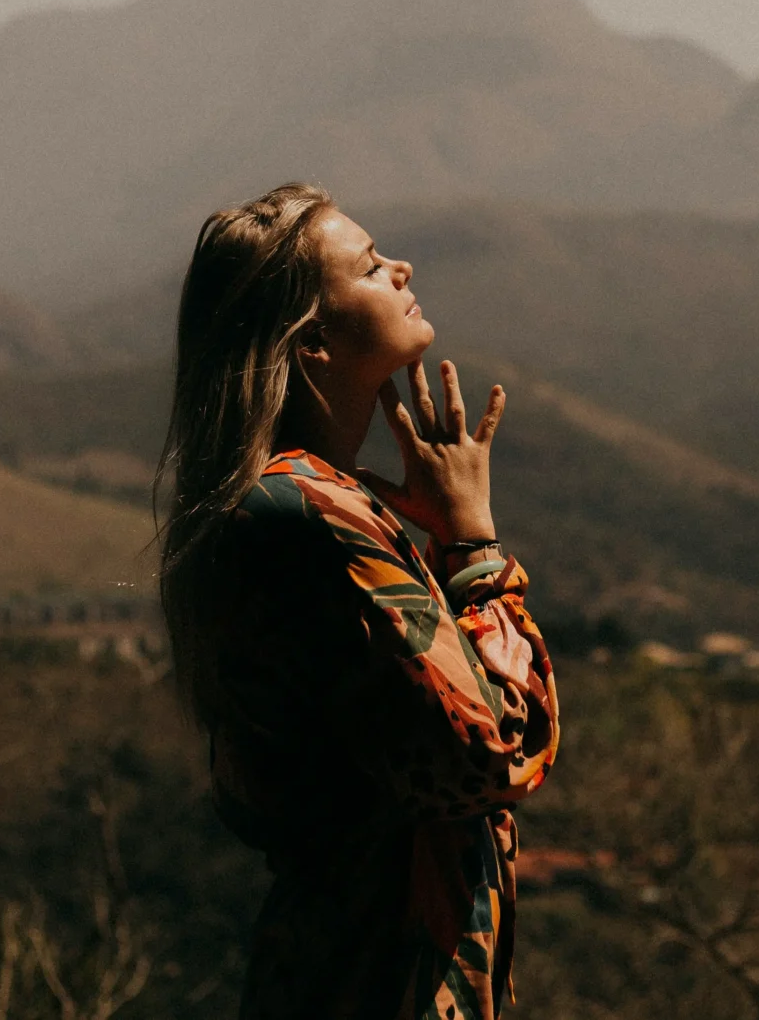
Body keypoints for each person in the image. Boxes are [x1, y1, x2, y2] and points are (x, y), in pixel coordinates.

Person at [156, 183, 560, 1020]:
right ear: (311, 346)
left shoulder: (297, 507)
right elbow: (492, 751)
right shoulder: (306, 514)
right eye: (373, 266)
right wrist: (477, 549)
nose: (403, 266)